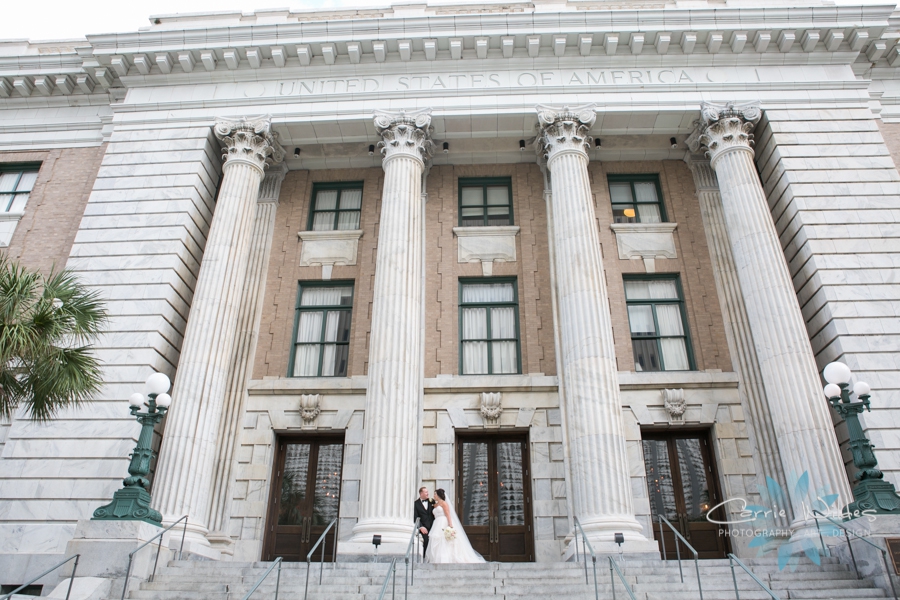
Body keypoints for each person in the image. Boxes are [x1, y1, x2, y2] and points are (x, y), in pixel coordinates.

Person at [424, 488, 486, 564]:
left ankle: (444, 558)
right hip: (436, 523)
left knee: (444, 540)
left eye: (435, 494)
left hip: (443, 522)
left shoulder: (444, 503)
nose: (434, 495)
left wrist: (450, 525)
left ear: (439, 495)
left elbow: (448, 514)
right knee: (436, 539)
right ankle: (436, 558)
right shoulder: (435, 504)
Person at [413, 486, 434, 559]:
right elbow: (415, 517)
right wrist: (421, 527)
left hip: (433, 526)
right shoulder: (416, 504)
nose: (427, 493)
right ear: (421, 493)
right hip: (424, 528)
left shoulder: (431, 501)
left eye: (427, 492)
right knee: (426, 540)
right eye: (426, 492)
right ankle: (425, 558)